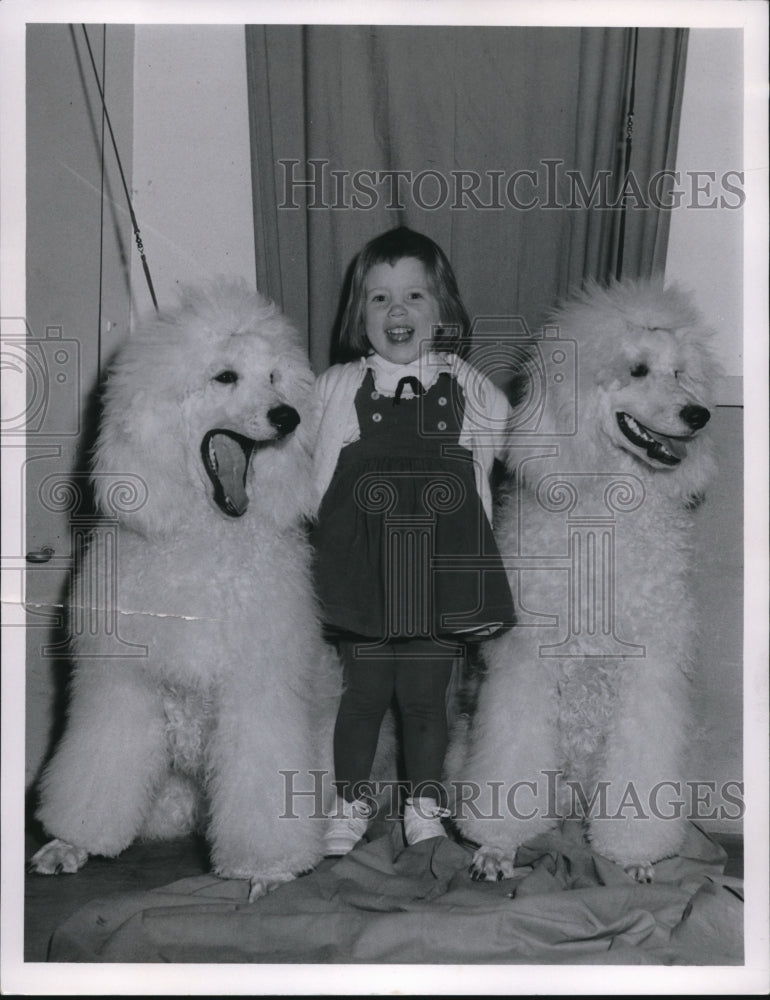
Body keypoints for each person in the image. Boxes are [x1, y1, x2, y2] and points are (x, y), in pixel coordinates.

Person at [312, 226, 515, 855]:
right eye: (379, 298)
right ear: (359, 313)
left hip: (435, 572)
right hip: (365, 573)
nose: (396, 311)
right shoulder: (338, 387)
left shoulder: (474, 390)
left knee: (426, 699)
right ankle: (349, 805)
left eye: (414, 297)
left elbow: (483, 476)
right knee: (364, 696)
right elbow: (315, 486)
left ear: (443, 310)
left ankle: (423, 806)